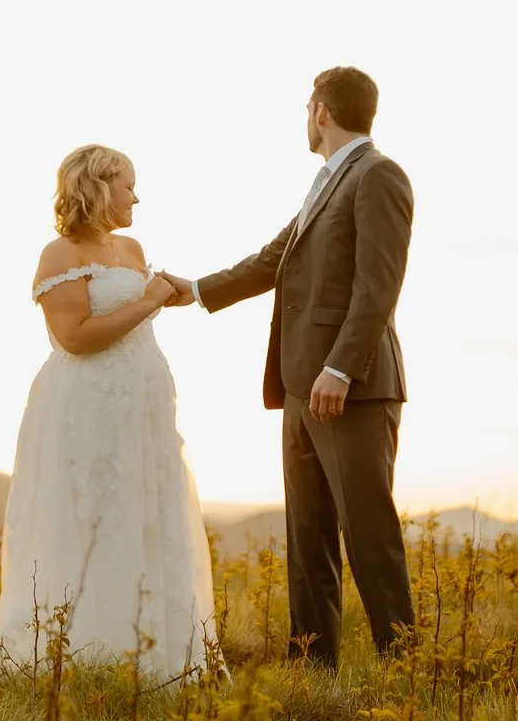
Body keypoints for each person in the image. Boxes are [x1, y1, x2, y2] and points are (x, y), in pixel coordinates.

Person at [0, 145, 219, 679]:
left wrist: (168, 295)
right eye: (128, 184)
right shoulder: (60, 255)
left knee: (148, 516)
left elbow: (135, 317)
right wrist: (148, 300)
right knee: (93, 520)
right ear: (98, 187)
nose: (136, 195)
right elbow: (74, 338)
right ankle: (89, 657)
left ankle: (158, 658)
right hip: (88, 409)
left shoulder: (132, 246)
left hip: (141, 410)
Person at [159, 67, 416, 668]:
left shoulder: (379, 175)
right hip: (301, 387)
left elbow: (379, 286)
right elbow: (276, 258)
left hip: (350, 389)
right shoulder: (326, 182)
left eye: (307, 108)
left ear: (322, 111)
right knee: (309, 538)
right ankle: (312, 667)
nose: (306, 119)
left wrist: (342, 369)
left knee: (369, 536)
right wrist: (194, 288)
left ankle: (405, 672)